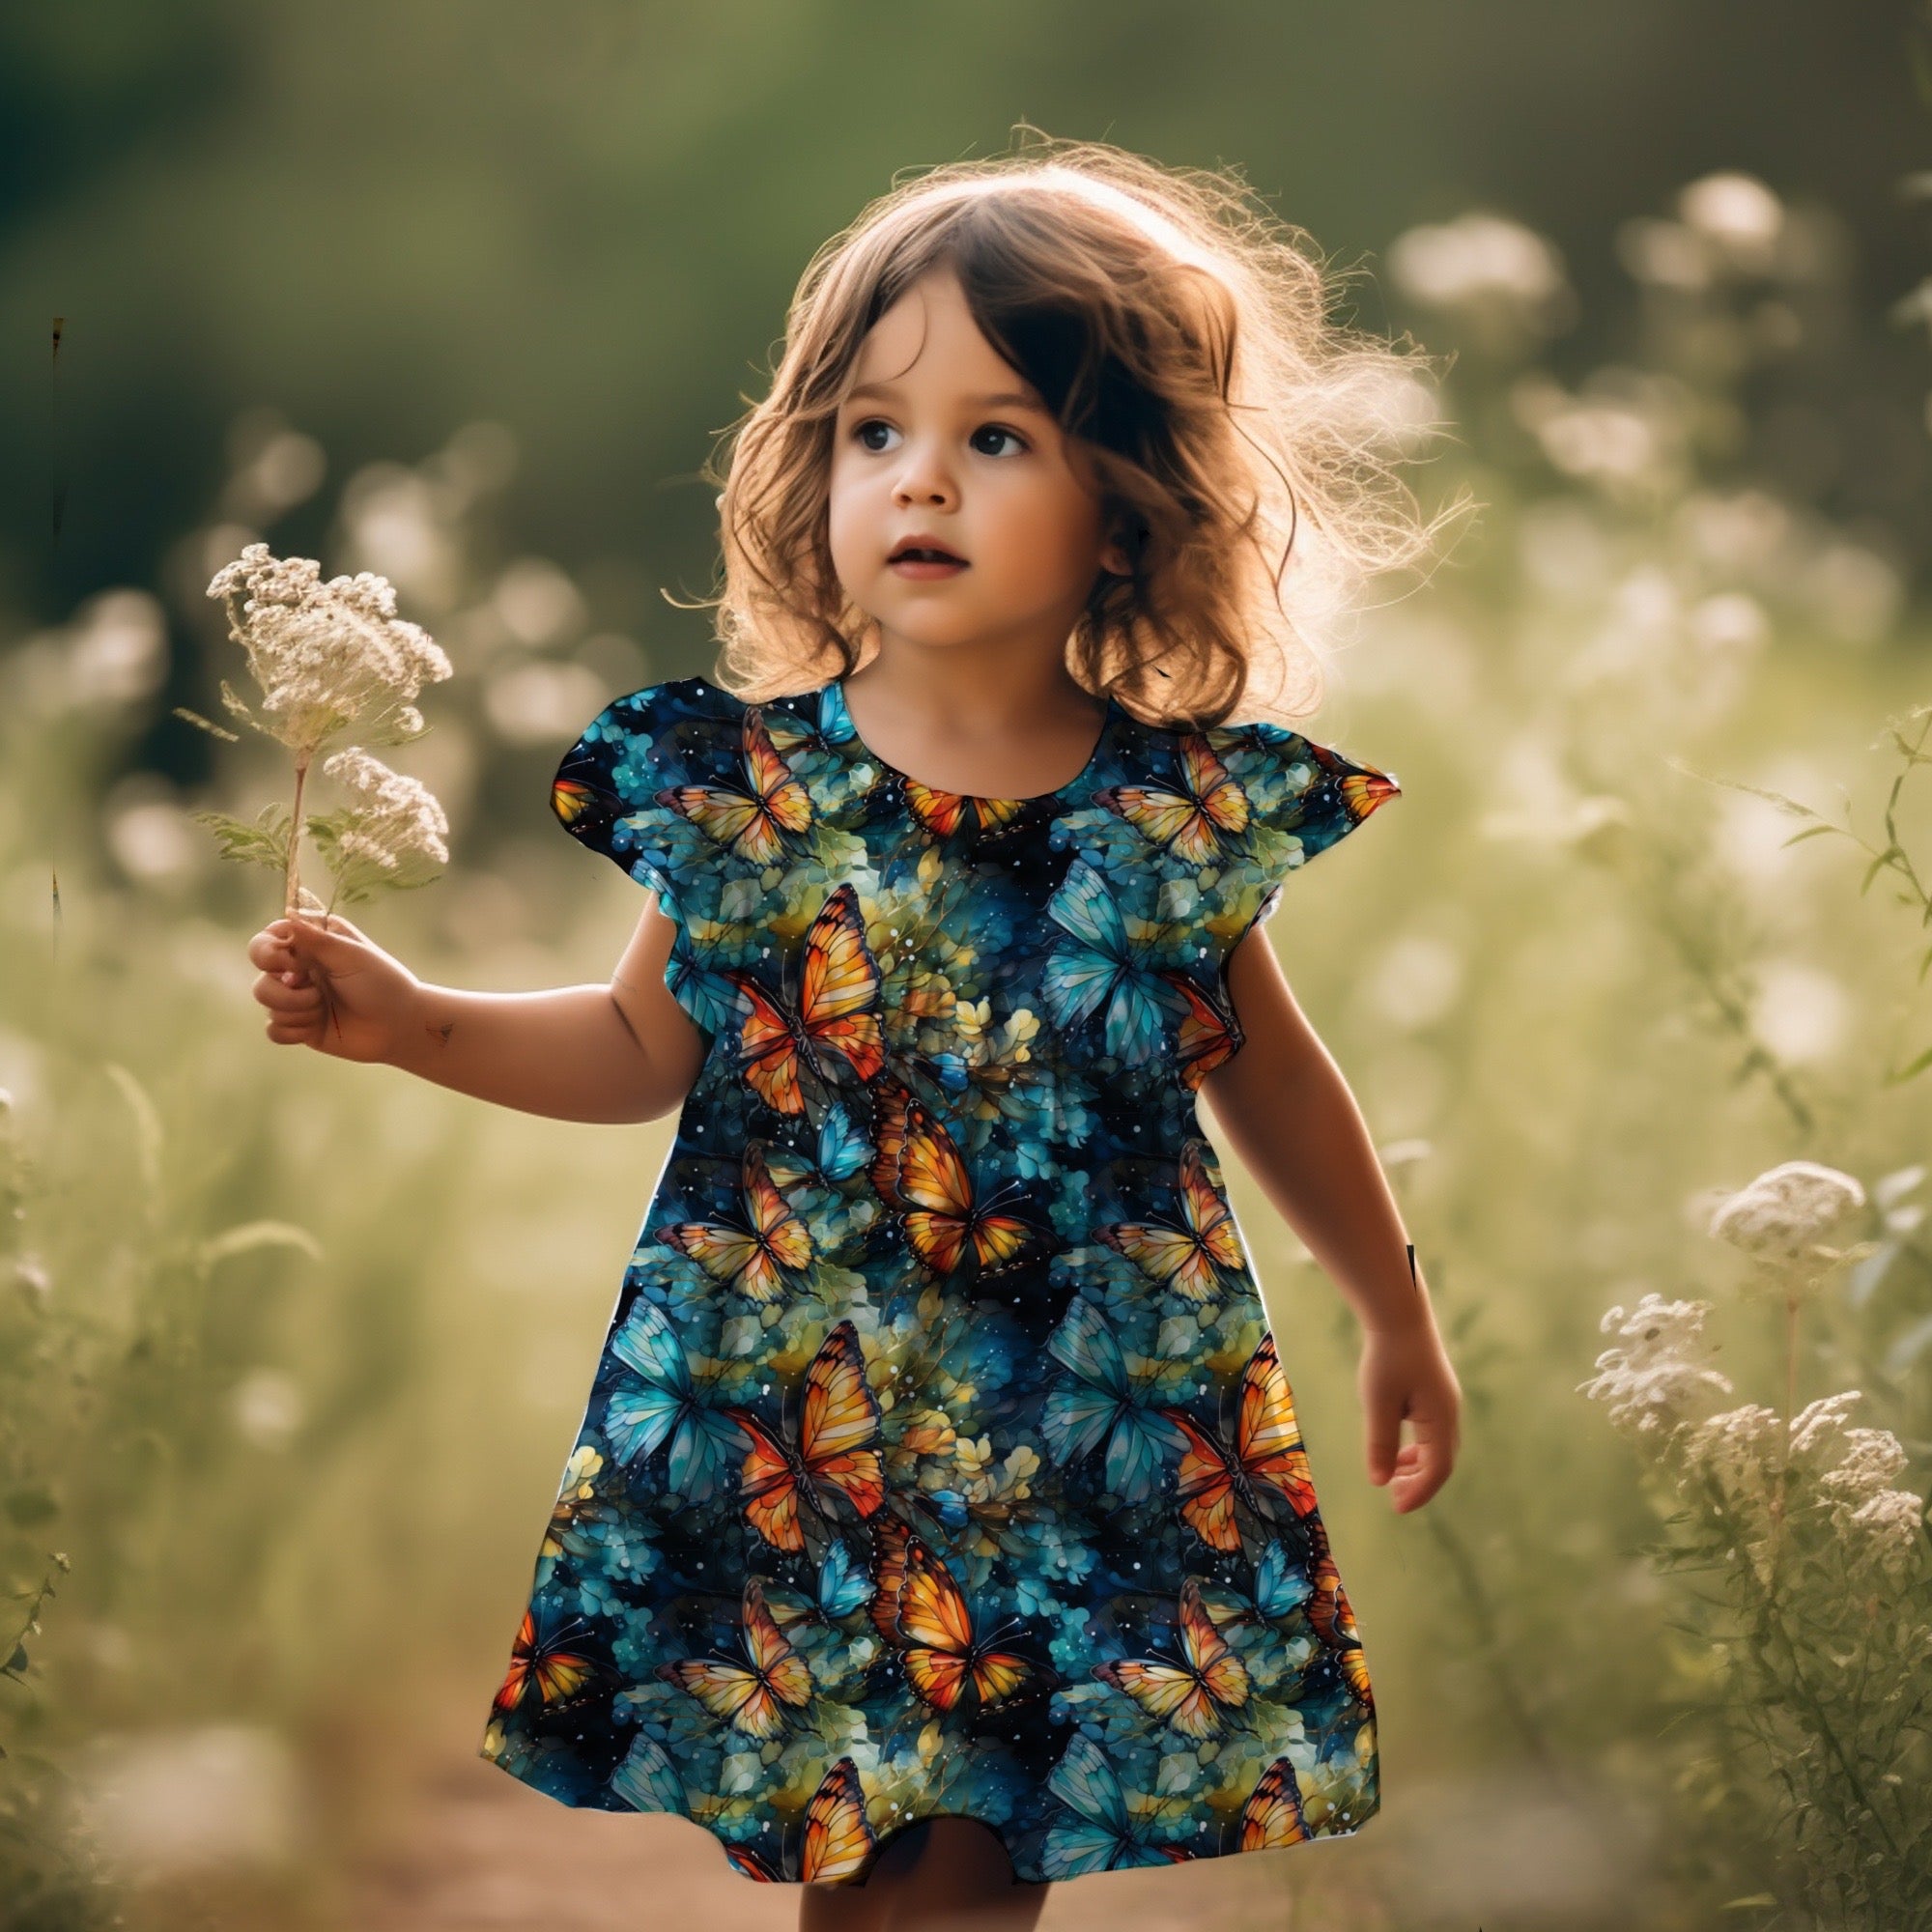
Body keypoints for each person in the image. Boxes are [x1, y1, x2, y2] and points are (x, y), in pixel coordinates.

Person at [247, 133, 1464, 1932]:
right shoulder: (752, 791)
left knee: (963, 1864)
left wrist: (1392, 1307)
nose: (923, 481)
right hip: (802, 1411)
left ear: (1126, 504)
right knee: (873, 1858)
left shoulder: (1169, 818)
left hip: (1073, 1422)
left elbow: (1266, 1068)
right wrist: (412, 1021)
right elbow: (635, 1045)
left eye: (998, 437)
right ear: (811, 470)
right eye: (875, 432)